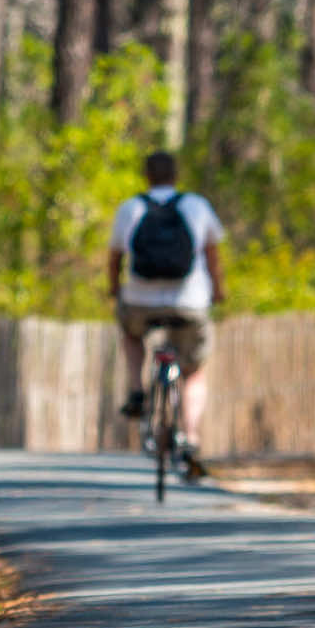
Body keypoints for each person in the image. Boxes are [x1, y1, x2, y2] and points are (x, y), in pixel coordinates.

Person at [109, 150, 227, 477]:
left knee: (132, 334)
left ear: (146, 175)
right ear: (176, 175)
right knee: (193, 371)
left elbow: (115, 259)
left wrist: (115, 290)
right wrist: (217, 290)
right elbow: (212, 256)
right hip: (189, 302)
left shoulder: (130, 207)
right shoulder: (197, 205)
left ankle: (136, 389)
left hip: (140, 300)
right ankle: (190, 437)